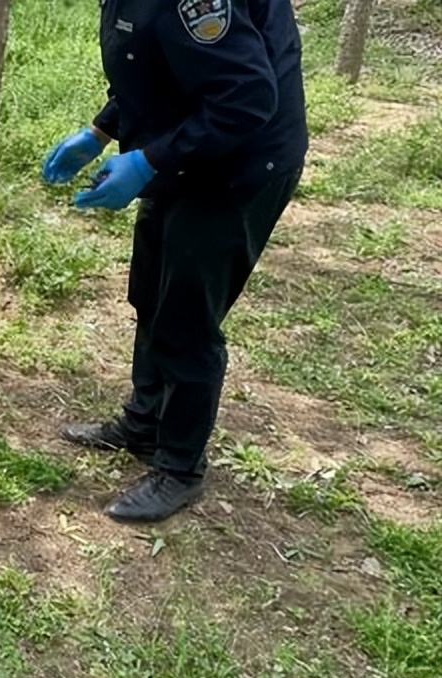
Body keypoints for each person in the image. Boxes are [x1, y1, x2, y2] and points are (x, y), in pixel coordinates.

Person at [40, 0, 308, 523]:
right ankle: (144, 423)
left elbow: (247, 97)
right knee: (151, 291)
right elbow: (150, 60)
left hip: (242, 164)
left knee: (186, 317)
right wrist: (100, 132)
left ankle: (180, 468)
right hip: (186, 150)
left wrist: (147, 160)